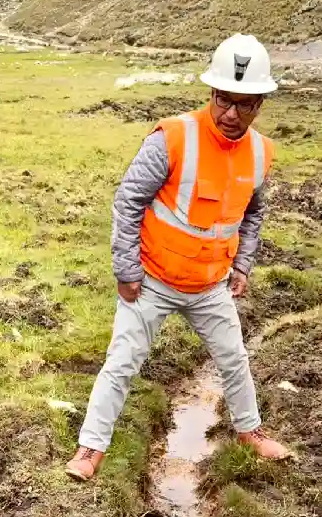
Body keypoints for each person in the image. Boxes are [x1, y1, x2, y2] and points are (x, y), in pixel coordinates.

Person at [65, 34, 293, 482]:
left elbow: (253, 213)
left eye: (244, 105)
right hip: (151, 279)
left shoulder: (261, 153)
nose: (231, 113)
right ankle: (90, 449)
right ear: (211, 92)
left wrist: (242, 265)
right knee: (122, 362)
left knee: (234, 357)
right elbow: (128, 201)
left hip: (210, 286)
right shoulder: (172, 138)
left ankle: (250, 431)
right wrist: (126, 268)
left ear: (261, 103)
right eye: (223, 100)